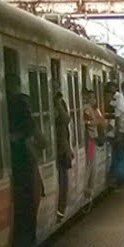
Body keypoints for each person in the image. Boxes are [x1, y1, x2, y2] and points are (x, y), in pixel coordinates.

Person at [8, 91, 43, 247]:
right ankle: (27, 239)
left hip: (14, 165)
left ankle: (19, 240)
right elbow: (43, 141)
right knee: (29, 200)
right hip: (25, 163)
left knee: (20, 202)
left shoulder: (7, 116)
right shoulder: (26, 124)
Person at [53, 88, 73, 220]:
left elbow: (66, 119)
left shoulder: (60, 103)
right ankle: (59, 211)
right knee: (62, 179)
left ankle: (61, 210)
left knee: (63, 180)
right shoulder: (57, 104)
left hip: (62, 148)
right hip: (58, 148)